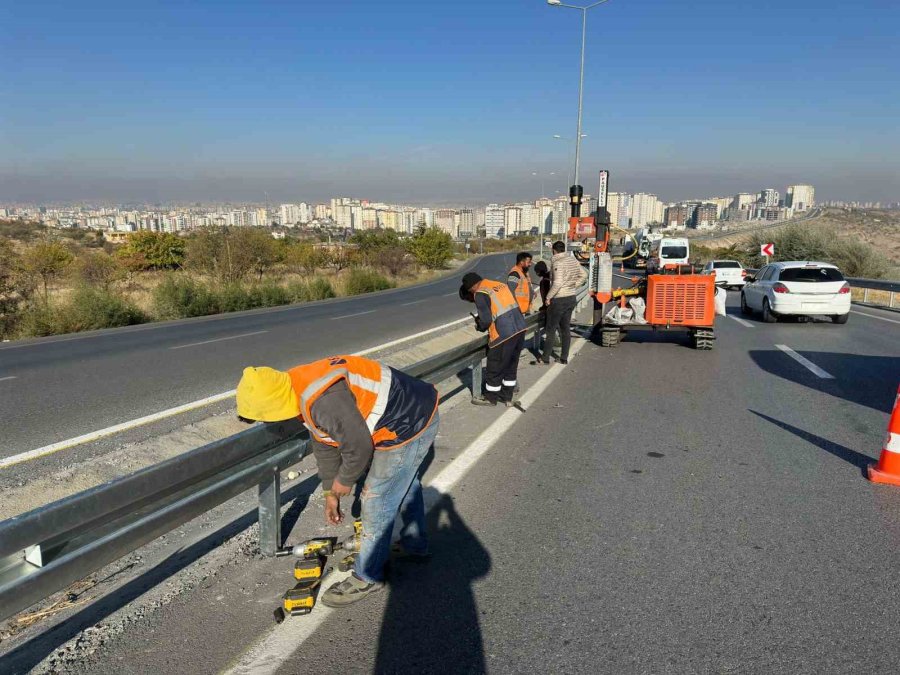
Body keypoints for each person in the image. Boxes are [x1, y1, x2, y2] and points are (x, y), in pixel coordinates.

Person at [235, 355, 440, 607]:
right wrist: (329, 492)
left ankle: (367, 576)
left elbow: (359, 447)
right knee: (404, 485)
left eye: (266, 417)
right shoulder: (296, 388)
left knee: (376, 499)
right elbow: (324, 443)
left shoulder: (322, 400)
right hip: (410, 408)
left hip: (409, 420)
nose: (268, 422)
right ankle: (414, 544)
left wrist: (343, 482)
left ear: (273, 405)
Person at [459, 272, 526, 407]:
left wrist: (479, 325)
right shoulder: (498, 284)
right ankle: (507, 397)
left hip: (503, 334)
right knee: (511, 366)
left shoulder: (480, 293)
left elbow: (486, 321)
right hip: (520, 328)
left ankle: (491, 397)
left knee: (494, 366)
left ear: (471, 287)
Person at [536, 240, 587, 365]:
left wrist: (548, 297)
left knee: (551, 329)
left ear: (553, 250)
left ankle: (545, 358)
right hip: (571, 297)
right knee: (565, 329)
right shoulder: (573, 260)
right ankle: (564, 358)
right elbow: (584, 275)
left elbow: (557, 283)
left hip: (559, 299)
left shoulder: (557, 262)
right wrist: (573, 285)